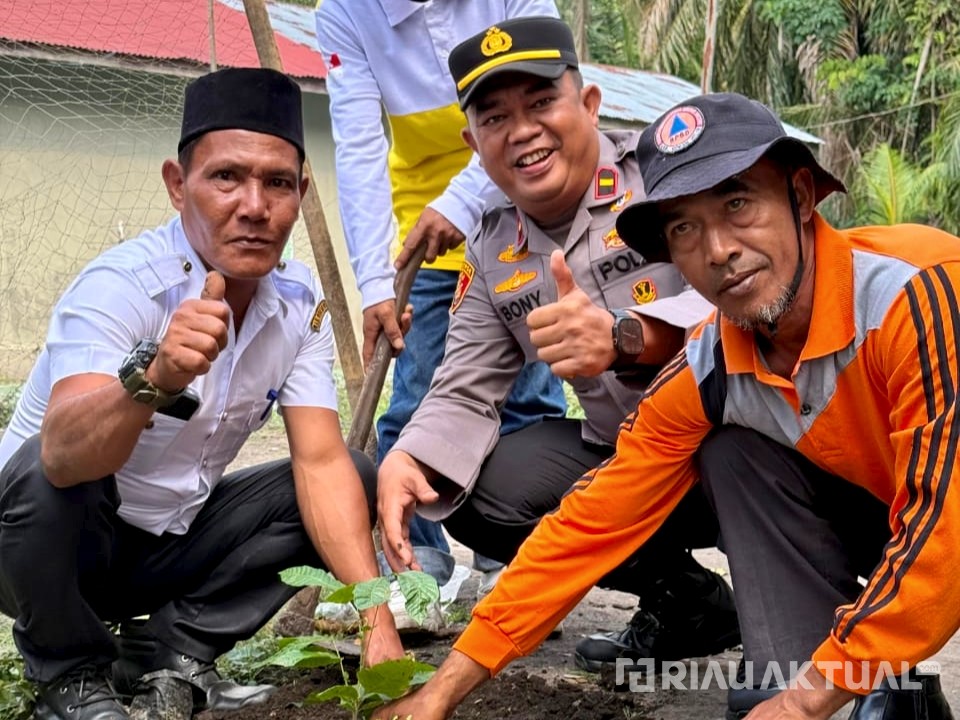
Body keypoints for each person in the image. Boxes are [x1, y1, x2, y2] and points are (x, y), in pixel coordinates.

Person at [373, 91, 960, 720]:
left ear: (799, 196)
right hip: (887, 521)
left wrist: (804, 701)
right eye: (684, 228)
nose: (718, 250)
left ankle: (863, 683)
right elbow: (591, 522)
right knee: (734, 452)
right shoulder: (712, 361)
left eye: (738, 204)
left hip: (937, 523)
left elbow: (943, 536)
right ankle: (868, 691)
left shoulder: (914, 294)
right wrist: (440, 693)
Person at [0, 68, 404, 720]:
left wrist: (377, 623)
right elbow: (63, 456)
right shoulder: (122, 286)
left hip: (167, 546)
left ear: (301, 193)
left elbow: (322, 464)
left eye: (277, 183)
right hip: (42, 554)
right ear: (176, 184)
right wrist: (154, 379)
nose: (254, 206)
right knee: (44, 467)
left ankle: (169, 652)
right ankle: (70, 676)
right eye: (226, 177)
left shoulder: (297, 306)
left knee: (352, 475)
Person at [377, 16, 740, 672]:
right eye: (495, 117)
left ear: (589, 104)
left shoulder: (665, 177)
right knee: (477, 491)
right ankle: (687, 603)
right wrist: (408, 458)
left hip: (738, 439)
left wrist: (629, 337)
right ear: (474, 143)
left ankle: (817, 624)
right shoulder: (492, 248)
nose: (522, 130)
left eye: (541, 101)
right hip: (624, 457)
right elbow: (463, 387)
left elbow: (752, 312)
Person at [315, 0, 567, 557]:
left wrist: (463, 202)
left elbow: (556, 99)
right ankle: (417, 561)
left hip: (524, 216)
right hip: (426, 240)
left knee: (526, 403)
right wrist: (375, 284)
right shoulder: (344, 12)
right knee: (416, 404)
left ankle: (518, 559)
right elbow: (358, 146)